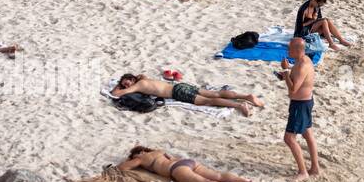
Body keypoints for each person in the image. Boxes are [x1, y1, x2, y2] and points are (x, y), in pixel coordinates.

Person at [116, 146, 256, 182]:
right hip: (187, 162)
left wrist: (131, 160)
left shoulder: (141, 158)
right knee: (218, 176)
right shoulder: (159, 151)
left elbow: (122, 167)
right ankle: (247, 181)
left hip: (177, 170)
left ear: (139, 153)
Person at [111, 74, 264, 116]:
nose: (127, 86)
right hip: (180, 86)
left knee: (207, 101)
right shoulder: (144, 79)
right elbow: (141, 75)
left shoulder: (139, 84)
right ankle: (246, 96)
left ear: (132, 79)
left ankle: (239, 105)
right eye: (125, 84)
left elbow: (116, 94)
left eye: (127, 82)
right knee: (215, 93)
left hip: (177, 92)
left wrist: (119, 86)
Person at [276, 37, 319, 181]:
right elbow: (296, 80)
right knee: (308, 134)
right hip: (306, 102)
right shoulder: (303, 60)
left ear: (297, 50)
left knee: (289, 138)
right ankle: (315, 168)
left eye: (290, 49)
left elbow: (293, 89)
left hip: (300, 105)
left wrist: (286, 70)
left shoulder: (302, 66)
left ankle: (303, 172)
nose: (288, 51)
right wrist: (285, 75)